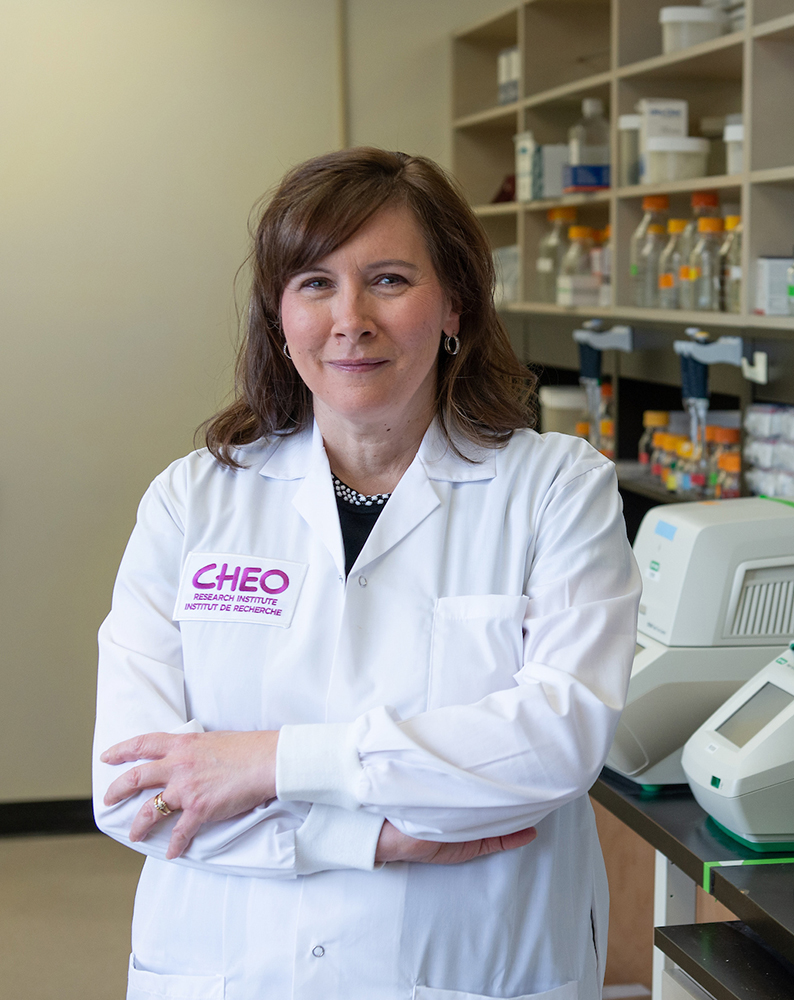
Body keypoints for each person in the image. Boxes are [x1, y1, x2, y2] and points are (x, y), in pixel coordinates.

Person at [93, 147, 641, 1000]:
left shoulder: (556, 489)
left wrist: (268, 762)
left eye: (388, 279)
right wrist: (370, 838)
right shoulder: (193, 501)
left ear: (455, 303)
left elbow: (554, 745)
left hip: (473, 961)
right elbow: (132, 793)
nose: (351, 318)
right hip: (235, 966)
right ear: (280, 316)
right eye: (315, 283)